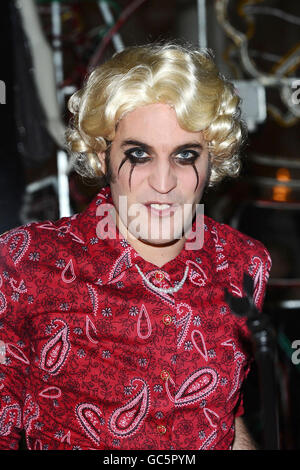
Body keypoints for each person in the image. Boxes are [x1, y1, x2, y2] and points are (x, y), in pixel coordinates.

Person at [0, 43, 271, 450]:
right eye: (139, 155)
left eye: (185, 155)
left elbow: (227, 421)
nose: (163, 182)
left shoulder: (244, 263)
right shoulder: (26, 262)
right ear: (102, 155)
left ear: (212, 159)